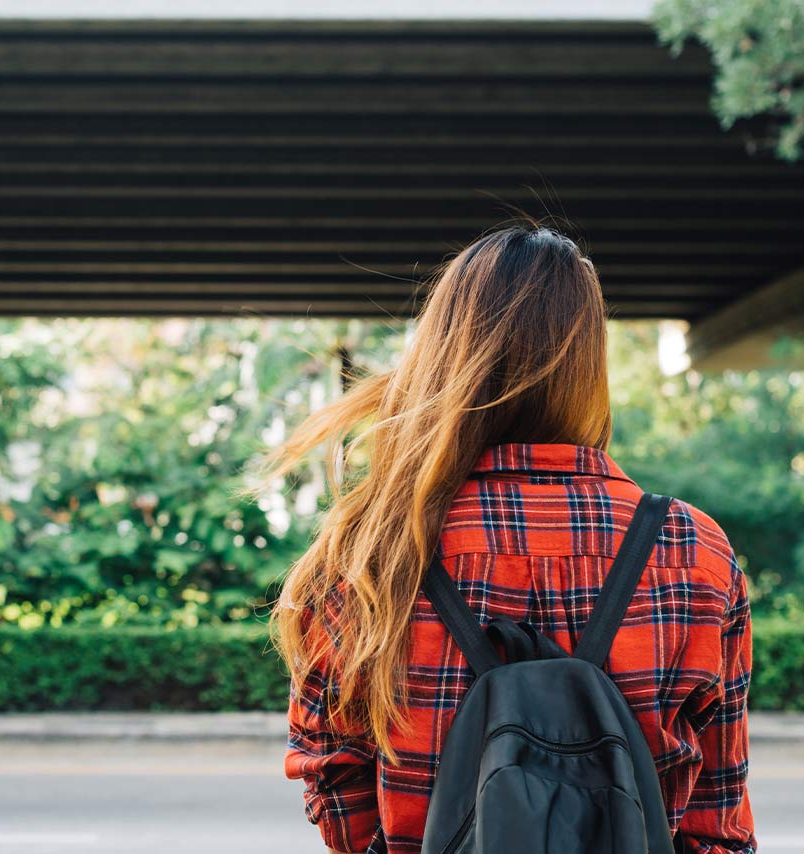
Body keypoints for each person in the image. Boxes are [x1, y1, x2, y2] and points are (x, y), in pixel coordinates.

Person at [261, 224, 758, 854]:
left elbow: (333, 786)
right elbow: (718, 823)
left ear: (444, 355)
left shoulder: (370, 552)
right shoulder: (693, 550)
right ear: (587, 365)